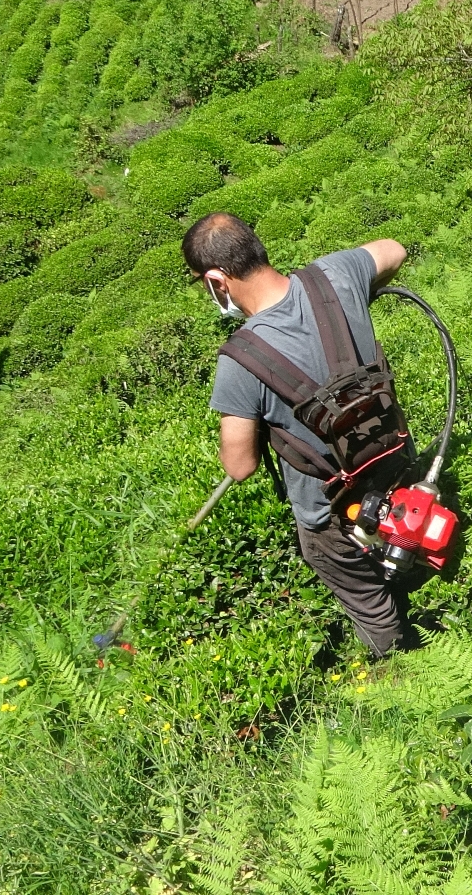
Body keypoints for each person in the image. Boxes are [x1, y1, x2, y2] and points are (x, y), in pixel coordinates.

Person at [182, 212, 423, 657]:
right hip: (397, 461)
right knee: (414, 542)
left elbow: (240, 465)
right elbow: (395, 250)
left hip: (330, 509)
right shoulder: (336, 275)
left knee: (366, 596)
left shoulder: (240, 360)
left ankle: (398, 662)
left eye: (202, 283)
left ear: (217, 280)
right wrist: (359, 295)